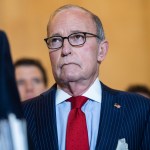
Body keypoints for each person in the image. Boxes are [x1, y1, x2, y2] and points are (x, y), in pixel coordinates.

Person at [22, 5, 150, 150]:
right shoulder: (23, 115)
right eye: (56, 40)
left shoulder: (141, 111)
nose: (65, 50)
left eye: (77, 37)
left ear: (101, 50)